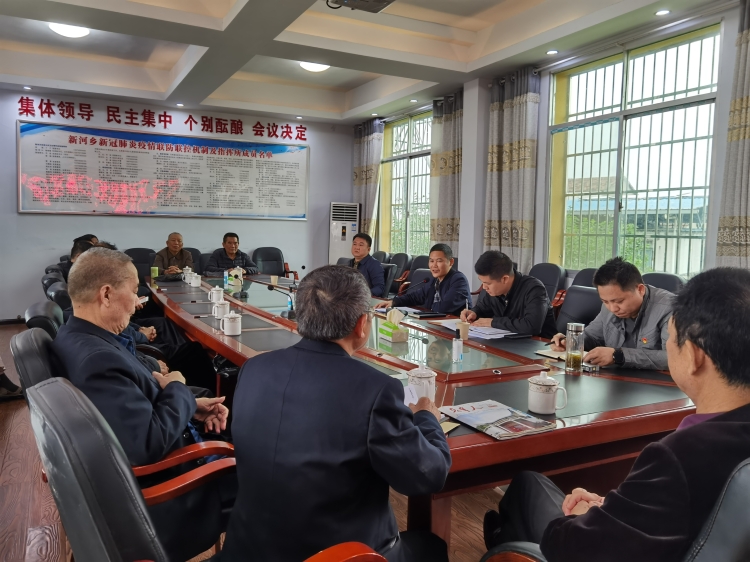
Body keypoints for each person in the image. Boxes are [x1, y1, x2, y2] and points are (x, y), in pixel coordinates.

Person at [483, 267, 750, 562]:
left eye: (672, 340)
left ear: (693, 356)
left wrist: (584, 516)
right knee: (530, 481)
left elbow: (577, 546)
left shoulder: (679, 456)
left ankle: (504, 544)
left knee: (525, 492)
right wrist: (610, 505)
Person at [220, 265, 452, 562]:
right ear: (362, 324)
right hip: (339, 555)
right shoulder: (376, 389)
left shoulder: (254, 368)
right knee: (431, 547)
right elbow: (428, 475)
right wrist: (426, 417)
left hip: (245, 549)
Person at [50, 247, 235, 561]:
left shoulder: (77, 336)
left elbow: (134, 408)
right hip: (170, 490)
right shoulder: (98, 360)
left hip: (168, 453)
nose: (137, 302)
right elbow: (148, 444)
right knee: (264, 476)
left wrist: (191, 404)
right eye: (134, 290)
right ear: (106, 294)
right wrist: (176, 386)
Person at [549, 257, 674, 370]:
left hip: (656, 382)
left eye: (619, 301)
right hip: (617, 379)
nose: (613, 308)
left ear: (640, 290)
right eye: (605, 301)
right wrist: (571, 342)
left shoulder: (670, 308)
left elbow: (673, 358)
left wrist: (618, 356)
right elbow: (592, 337)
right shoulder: (608, 306)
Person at [460, 251, 556, 338]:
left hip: (539, 345)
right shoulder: (494, 290)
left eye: (487, 283)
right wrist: (474, 313)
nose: (484, 287)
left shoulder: (534, 289)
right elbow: (483, 308)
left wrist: (493, 322)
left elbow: (531, 326)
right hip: (506, 342)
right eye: (482, 282)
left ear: (505, 279)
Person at [382, 243, 470, 316]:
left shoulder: (459, 280)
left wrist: (427, 307)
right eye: (431, 261)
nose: (434, 265)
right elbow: (415, 297)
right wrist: (394, 302)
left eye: (439, 261)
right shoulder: (434, 280)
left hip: (455, 326)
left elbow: (444, 307)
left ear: (451, 262)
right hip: (434, 323)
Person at [347, 233, 385, 297]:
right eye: (354, 244)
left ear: (368, 249)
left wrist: (363, 295)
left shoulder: (374, 264)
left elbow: (380, 288)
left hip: (364, 299)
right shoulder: (350, 263)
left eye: (361, 245)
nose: (356, 247)